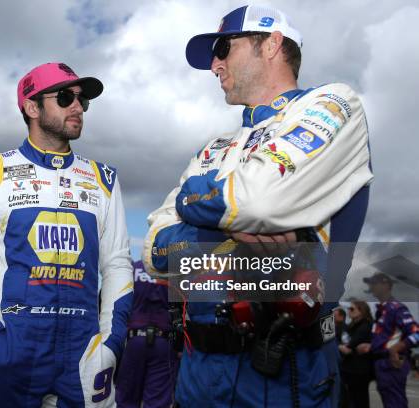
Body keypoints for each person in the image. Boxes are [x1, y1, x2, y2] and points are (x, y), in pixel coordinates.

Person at [143, 4, 373, 407]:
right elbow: (155, 253)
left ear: (271, 44)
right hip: (197, 373)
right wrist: (226, 222)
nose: (214, 64)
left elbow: (259, 200)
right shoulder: (214, 149)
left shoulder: (333, 103)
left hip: (286, 367)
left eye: (222, 48)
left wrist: (196, 210)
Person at [0, 62, 134, 408]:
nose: (78, 107)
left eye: (83, 100)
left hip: (84, 356)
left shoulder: (103, 179)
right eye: (66, 97)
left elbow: (117, 266)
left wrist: (112, 343)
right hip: (13, 353)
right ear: (31, 107)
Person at [116, 261, 179, 408]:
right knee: (157, 402)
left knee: (126, 399)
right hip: (164, 342)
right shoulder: (176, 273)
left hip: (134, 340)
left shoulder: (133, 269)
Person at [357, 272, 419, 408]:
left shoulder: (396, 308)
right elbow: (387, 339)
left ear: (386, 285)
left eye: (374, 282)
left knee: (395, 403)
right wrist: (371, 346)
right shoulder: (382, 310)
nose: (371, 286)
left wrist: (395, 348)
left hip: (392, 365)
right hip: (381, 364)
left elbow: (416, 333)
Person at [339, 301, 373, 408]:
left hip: (359, 370)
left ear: (362, 311)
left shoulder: (365, 326)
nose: (349, 311)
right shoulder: (351, 326)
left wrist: (338, 346)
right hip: (350, 369)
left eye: (352, 309)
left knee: (358, 401)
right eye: (349, 308)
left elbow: (349, 347)